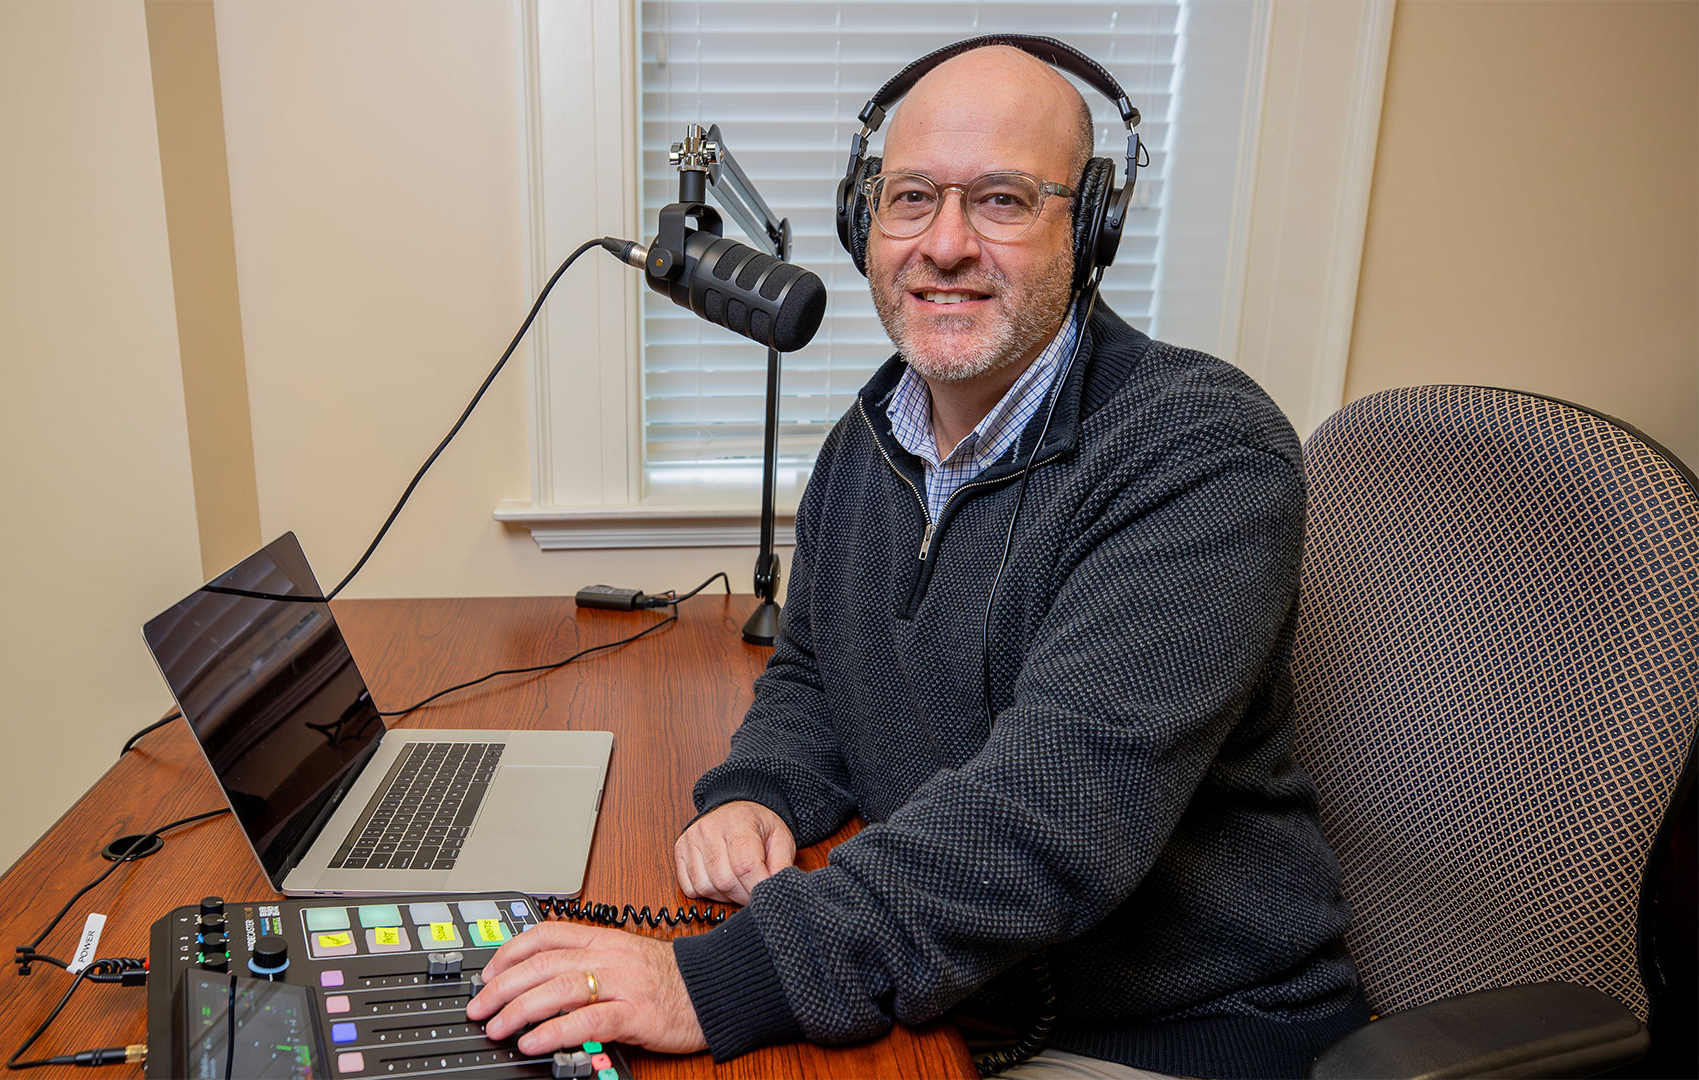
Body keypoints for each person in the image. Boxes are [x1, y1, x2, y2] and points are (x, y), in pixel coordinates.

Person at [467, 42, 1368, 1079]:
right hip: (962, 993)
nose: (944, 244)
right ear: (864, 222)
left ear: (1093, 225)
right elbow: (816, 669)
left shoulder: (1199, 452)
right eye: (910, 199)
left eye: (1001, 200)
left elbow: (1055, 812)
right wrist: (761, 791)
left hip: (1177, 1032)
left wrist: (707, 984)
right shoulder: (871, 437)